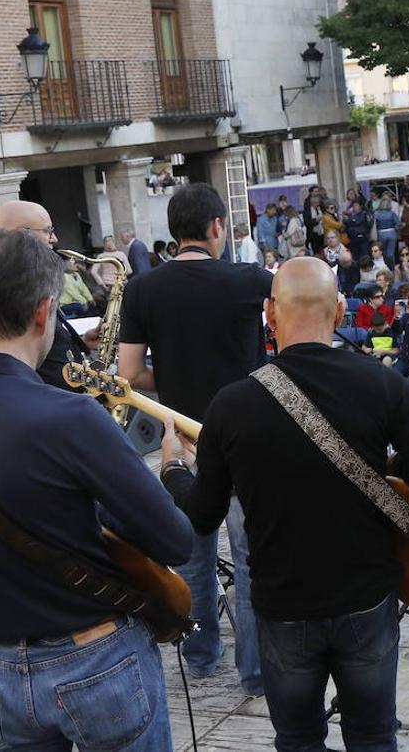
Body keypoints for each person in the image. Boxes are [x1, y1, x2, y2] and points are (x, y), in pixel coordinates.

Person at [0, 227, 196, 752]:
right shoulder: (72, 416)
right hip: (96, 660)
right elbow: (175, 543)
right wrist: (171, 468)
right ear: (43, 310)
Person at [159, 257, 409, 751]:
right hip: (367, 600)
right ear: (340, 311)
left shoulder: (231, 405)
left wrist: (174, 469)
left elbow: (201, 516)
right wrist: (387, 454)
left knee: (298, 740)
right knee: (373, 737)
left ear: (269, 314)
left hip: (284, 610)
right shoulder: (381, 383)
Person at [117, 183, 271, 696]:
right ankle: (255, 673)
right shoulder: (251, 279)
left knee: (192, 559)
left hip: (183, 442)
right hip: (248, 440)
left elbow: (131, 374)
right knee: (251, 562)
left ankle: (201, 656)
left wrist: (178, 373)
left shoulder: (143, 289)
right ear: (215, 229)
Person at [0, 200, 91, 392]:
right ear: (22, 234)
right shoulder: (8, 287)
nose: (54, 239)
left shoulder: (28, 279)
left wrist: (82, 342)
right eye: (47, 231)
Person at [375, 194, 401, 260]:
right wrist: (396, 229)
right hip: (392, 233)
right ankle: (391, 267)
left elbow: (375, 225)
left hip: (381, 233)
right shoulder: (392, 213)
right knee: (391, 252)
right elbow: (398, 223)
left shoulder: (377, 214)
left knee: (383, 252)